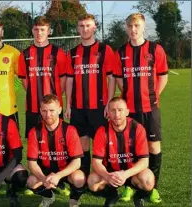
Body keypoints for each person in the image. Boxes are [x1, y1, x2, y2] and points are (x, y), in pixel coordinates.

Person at [113, 13, 168, 203]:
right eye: (130, 26)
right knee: (130, 148)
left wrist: (153, 97)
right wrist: (129, 97)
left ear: (143, 27)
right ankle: (129, 186)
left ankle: (153, 188)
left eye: (136, 26)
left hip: (150, 108)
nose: (133, 30)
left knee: (153, 147)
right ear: (126, 28)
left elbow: (163, 76)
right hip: (130, 110)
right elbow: (119, 79)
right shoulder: (120, 52)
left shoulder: (155, 49)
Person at [65, 13, 116, 180]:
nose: (84, 29)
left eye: (88, 25)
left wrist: (109, 103)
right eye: (81, 26)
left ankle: (106, 177)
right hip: (78, 108)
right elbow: (70, 81)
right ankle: (85, 176)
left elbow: (111, 78)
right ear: (77, 28)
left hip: (99, 107)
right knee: (83, 143)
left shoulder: (105, 50)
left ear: (95, 27)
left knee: (102, 144)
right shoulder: (72, 53)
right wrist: (68, 105)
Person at [88, 97, 155, 207]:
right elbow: (96, 162)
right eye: (113, 110)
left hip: (132, 172)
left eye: (120, 110)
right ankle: (112, 195)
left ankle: (138, 197)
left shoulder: (137, 129)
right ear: (108, 113)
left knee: (148, 179)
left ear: (127, 112)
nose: (116, 114)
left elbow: (144, 161)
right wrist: (108, 176)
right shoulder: (102, 131)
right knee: (92, 181)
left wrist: (125, 174)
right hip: (110, 173)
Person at [27, 94, 85, 207]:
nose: (48, 115)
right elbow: (31, 163)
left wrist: (58, 176)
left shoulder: (70, 130)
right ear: (40, 111)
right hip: (45, 172)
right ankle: (48, 196)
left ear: (59, 110)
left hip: (66, 171)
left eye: (52, 110)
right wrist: (43, 179)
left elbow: (77, 162)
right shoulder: (34, 132)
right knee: (31, 182)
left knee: (79, 178)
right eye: (44, 111)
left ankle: (74, 199)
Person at [18, 16, 67, 139]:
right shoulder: (25, 54)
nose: (39, 33)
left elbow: (63, 79)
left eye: (42, 29)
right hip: (32, 107)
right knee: (34, 142)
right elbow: (24, 80)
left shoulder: (58, 53)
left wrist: (53, 98)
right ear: (32, 30)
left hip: (53, 108)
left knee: (57, 142)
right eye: (36, 29)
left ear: (49, 31)